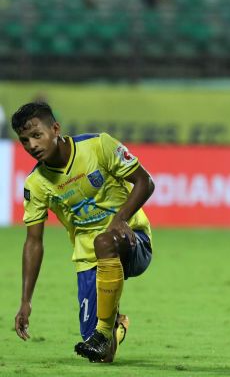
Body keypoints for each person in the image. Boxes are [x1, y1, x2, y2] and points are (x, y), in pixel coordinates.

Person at [12, 102, 155, 363]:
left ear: (55, 128)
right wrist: (25, 301)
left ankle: (103, 329)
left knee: (104, 241)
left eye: (36, 135)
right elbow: (34, 242)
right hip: (88, 260)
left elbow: (145, 181)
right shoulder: (36, 185)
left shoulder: (99, 146)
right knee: (101, 355)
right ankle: (114, 325)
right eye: (24, 140)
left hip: (132, 240)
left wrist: (120, 219)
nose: (31, 145)